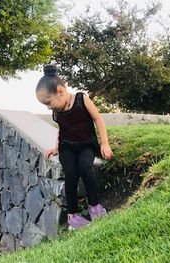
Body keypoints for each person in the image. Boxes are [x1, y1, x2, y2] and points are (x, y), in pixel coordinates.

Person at [35, 65, 113, 230]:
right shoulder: (58, 111)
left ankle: (95, 207)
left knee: (85, 167)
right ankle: (73, 217)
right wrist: (56, 148)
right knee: (70, 172)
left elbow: (98, 119)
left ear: (61, 91)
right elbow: (61, 129)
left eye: (49, 103)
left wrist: (105, 143)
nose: (49, 108)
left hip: (86, 145)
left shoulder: (81, 99)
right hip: (67, 147)